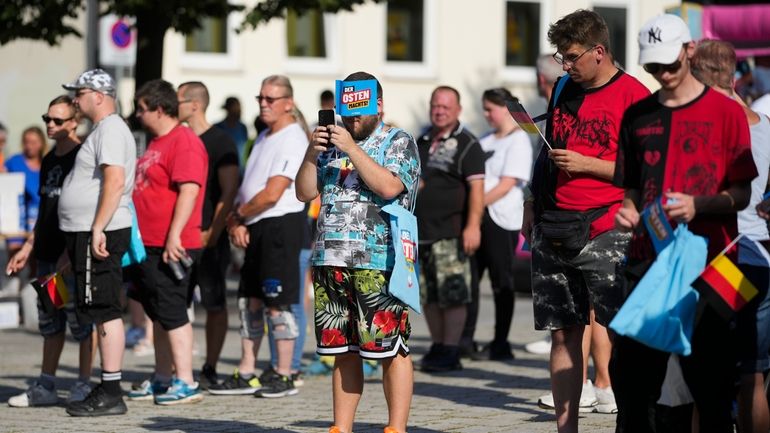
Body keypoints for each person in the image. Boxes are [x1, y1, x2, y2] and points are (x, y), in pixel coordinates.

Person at [612, 15, 756, 433]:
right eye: (653, 67)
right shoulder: (638, 115)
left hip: (715, 262)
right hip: (648, 264)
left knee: (712, 391)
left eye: (669, 64)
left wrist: (700, 204)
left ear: (690, 51)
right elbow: (632, 189)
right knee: (634, 386)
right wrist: (628, 211)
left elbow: (742, 193)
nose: (663, 74)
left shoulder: (727, 114)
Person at [521, 9, 650, 432]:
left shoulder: (634, 96)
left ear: (599, 51)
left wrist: (588, 164)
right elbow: (546, 152)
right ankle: (567, 428)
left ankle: (630, 422)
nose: (566, 65)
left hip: (608, 228)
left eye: (572, 56)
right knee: (562, 333)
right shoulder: (562, 87)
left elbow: (647, 172)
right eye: (561, 57)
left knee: (621, 334)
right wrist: (530, 203)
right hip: (554, 225)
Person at [296, 71, 420, 433]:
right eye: (346, 113)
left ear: (378, 105)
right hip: (330, 258)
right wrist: (310, 152)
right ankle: (342, 427)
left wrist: (351, 147)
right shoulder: (330, 144)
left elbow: (388, 187)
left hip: (378, 261)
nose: (352, 119)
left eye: (360, 111)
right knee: (343, 349)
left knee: (389, 347)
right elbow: (304, 193)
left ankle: (395, 427)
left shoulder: (398, 140)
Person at [691, 39, 770, 433]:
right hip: (761, 257)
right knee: (753, 378)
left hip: (722, 257)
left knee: (706, 379)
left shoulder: (708, 123)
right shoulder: (766, 126)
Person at [212, 75, 306, 398]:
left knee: (277, 301)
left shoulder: (293, 138)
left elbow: (272, 193)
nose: (263, 104)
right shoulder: (264, 136)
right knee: (248, 300)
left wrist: (237, 216)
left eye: (271, 99)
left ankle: (284, 372)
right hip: (253, 224)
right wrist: (237, 222)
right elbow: (246, 186)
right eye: (260, 98)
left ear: (288, 103)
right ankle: (248, 369)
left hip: (280, 225)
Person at [6, 95, 94, 408]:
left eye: (57, 120)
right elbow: (45, 210)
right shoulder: (49, 160)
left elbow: (92, 210)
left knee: (81, 323)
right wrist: (28, 247)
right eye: (47, 119)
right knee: (51, 321)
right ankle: (47, 384)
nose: (50, 125)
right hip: (47, 255)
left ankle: (84, 384)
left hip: (72, 257)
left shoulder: (84, 157)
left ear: (75, 122)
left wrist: (72, 254)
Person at [58, 68, 136, 416]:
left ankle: (111, 390)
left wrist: (98, 227)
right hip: (90, 230)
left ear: (99, 96)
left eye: (81, 92)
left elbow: (115, 181)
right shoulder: (103, 130)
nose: (76, 99)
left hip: (101, 230)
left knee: (105, 309)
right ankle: (107, 387)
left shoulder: (112, 129)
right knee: (97, 309)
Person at [127, 79, 208, 405]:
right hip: (148, 243)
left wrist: (174, 233)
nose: (137, 114)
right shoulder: (157, 141)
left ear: (160, 109)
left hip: (172, 244)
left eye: (142, 108)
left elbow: (189, 189)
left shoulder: (183, 141)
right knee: (158, 313)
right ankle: (162, 377)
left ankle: (186, 380)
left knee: (173, 311)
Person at [415, 86, 484, 372]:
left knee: (453, 293)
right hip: (421, 233)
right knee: (428, 294)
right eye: (435, 106)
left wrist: (472, 226)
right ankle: (438, 345)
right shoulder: (422, 139)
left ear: (458, 110)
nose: (439, 111)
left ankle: (452, 349)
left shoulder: (468, 144)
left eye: (445, 106)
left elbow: (477, 190)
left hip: (452, 231)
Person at [176, 81, 240, 390]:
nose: (173, 107)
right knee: (175, 304)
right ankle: (178, 369)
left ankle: (211, 367)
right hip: (179, 236)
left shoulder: (220, 141)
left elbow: (229, 191)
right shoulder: (179, 139)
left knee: (214, 304)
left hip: (207, 237)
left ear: (194, 104)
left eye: (178, 100)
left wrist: (213, 233)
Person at [472, 87, 532, 360]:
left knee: (501, 281)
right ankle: (466, 337)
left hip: (502, 217)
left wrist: (477, 203)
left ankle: (500, 341)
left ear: (505, 108)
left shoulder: (519, 140)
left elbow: (508, 182)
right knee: (472, 279)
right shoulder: (486, 140)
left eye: (490, 109)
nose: (486, 115)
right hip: (480, 217)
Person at [524, 53, 563, 357]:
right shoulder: (549, 114)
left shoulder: (560, 114)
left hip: (564, 216)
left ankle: (599, 380)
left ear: (541, 79)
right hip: (545, 213)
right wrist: (529, 202)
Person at [5, 126, 47, 272]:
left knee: (35, 256)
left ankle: (29, 291)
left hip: (39, 217)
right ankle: (12, 287)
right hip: (18, 217)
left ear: (41, 143)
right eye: (26, 142)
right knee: (15, 252)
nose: (29, 146)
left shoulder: (47, 162)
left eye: (34, 142)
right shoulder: (14, 161)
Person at [215, 96, 249, 163]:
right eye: (235, 108)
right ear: (228, 109)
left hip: (240, 170)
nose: (238, 111)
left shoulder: (242, 127)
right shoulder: (218, 127)